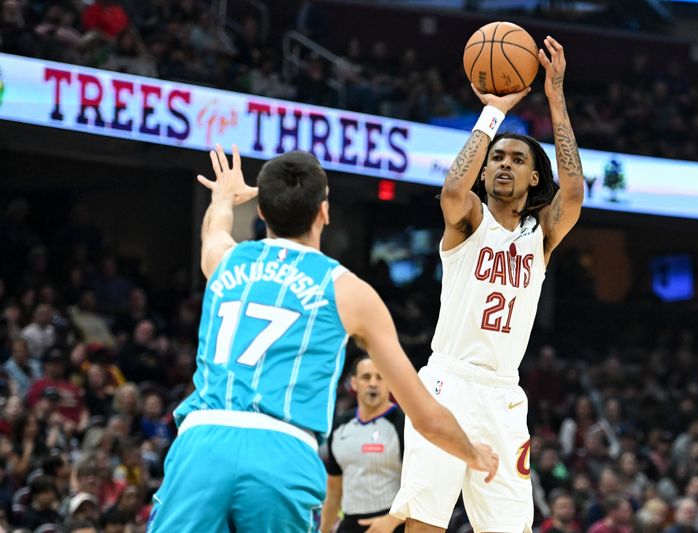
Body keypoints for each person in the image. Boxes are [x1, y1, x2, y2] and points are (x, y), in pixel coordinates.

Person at [147, 145, 499, 532]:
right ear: (324, 212)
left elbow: (214, 230)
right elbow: (424, 415)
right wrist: (473, 453)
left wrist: (223, 197)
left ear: (261, 211)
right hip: (282, 450)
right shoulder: (350, 292)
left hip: (202, 442)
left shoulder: (224, 261)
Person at [390, 35, 584, 533]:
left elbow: (576, 192)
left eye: (517, 160)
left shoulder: (540, 236)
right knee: (425, 522)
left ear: (535, 179)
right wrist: (493, 113)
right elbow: (454, 187)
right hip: (447, 383)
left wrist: (555, 95)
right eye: (498, 158)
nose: (503, 164)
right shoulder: (469, 220)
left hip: (502, 396)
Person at [321, 354, 405, 533]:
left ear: (389, 383)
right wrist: (324, 530)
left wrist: (391, 521)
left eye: (380, 377)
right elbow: (334, 489)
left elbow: (417, 484)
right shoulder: (339, 426)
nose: (373, 383)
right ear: (354, 383)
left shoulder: (403, 424)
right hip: (349, 524)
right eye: (366, 377)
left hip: (391, 524)